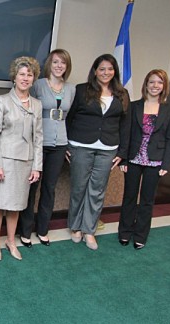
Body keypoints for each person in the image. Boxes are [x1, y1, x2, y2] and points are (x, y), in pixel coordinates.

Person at [66, 54, 130, 250]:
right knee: (79, 187)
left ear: (115, 71)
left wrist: (123, 152)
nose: (106, 72)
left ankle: (89, 230)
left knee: (97, 191)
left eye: (110, 69)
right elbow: (69, 118)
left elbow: (125, 124)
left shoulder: (122, 94)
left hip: (108, 148)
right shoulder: (82, 90)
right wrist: (67, 145)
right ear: (95, 71)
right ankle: (75, 227)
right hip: (81, 145)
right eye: (102, 69)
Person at [18, 49, 76, 247]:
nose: (59, 66)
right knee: (32, 188)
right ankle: (25, 231)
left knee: (49, 189)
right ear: (49, 64)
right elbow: (28, 111)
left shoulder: (71, 89)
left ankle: (42, 229)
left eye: (63, 63)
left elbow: (69, 117)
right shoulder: (38, 84)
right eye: (56, 62)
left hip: (59, 145)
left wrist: (68, 143)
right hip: (38, 143)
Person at [0, 57, 43, 260]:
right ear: (14, 77)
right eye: (22, 74)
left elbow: (38, 137)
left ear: (34, 78)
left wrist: (37, 166)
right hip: (4, 161)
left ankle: (11, 241)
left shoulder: (36, 105)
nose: (25, 78)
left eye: (30, 74)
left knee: (17, 205)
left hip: (26, 162)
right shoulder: (1, 101)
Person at [118, 69, 170, 249]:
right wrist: (123, 160)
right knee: (129, 197)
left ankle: (140, 235)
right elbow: (126, 134)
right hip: (134, 159)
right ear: (146, 84)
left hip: (155, 161)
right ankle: (125, 232)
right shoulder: (134, 106)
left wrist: (166, 163)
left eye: (159, 82)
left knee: (147, 200)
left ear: (164, 86)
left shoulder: (169, 109)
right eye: (152, 82)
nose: (155, 86)